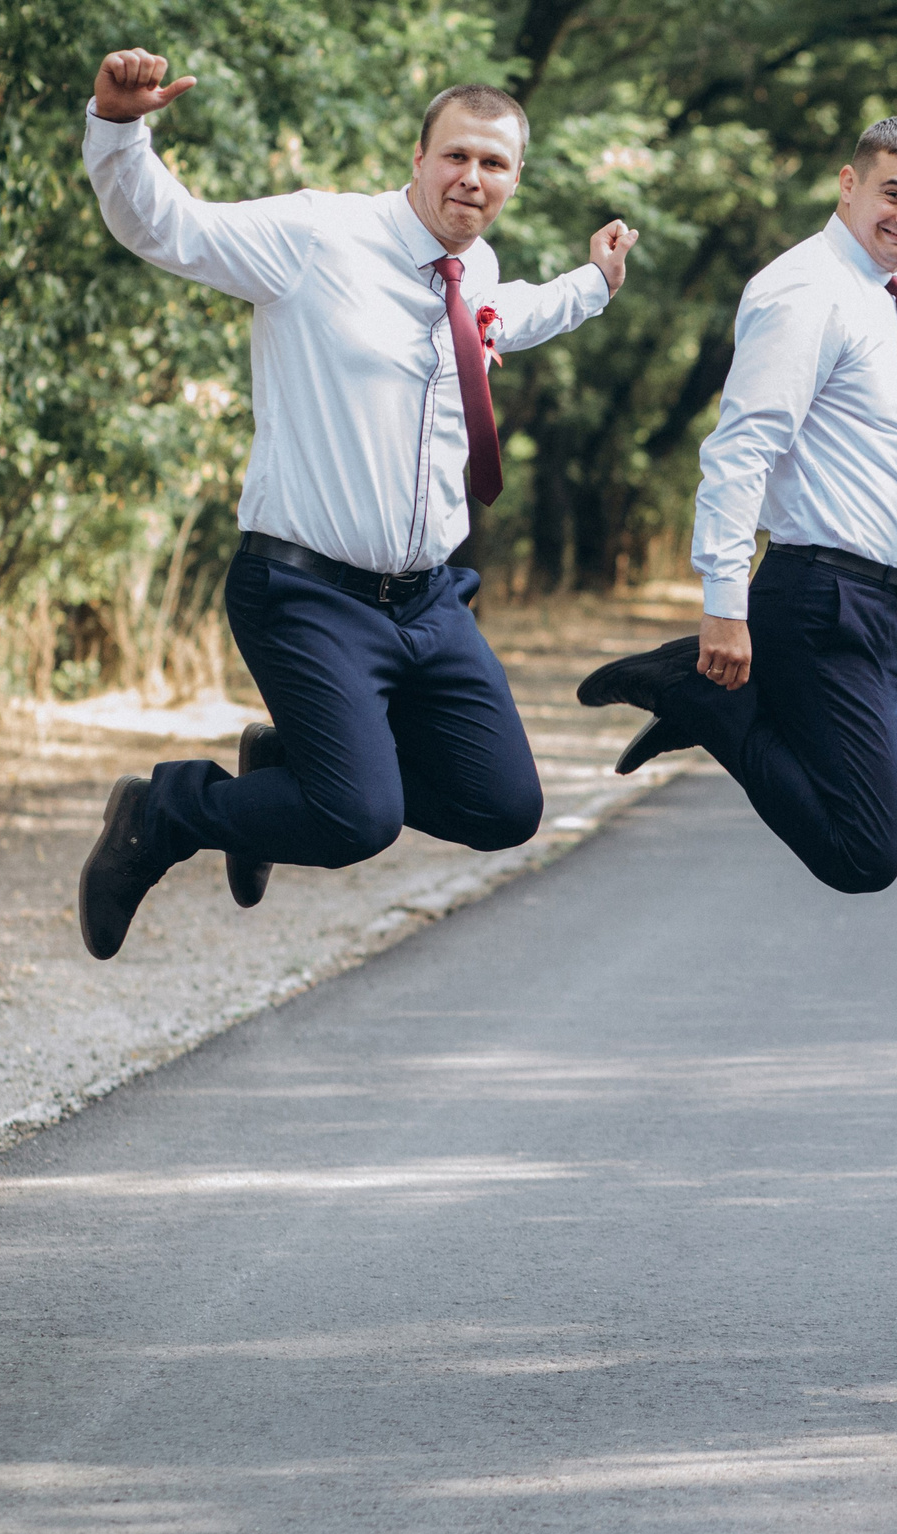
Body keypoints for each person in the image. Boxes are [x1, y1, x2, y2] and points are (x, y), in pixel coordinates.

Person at [72, 49, 639, 959]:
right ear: (417, 159)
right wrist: (119, 128)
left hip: (428, 600)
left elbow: (513, 318)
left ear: (514, 181)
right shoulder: (316, 239)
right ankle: (166, 812)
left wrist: (597, 285)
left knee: (505, 810)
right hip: (305, 591)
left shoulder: (477, 272)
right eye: (456, 156)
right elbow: (165, 226)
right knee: (355, 821)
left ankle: (292, 768)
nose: (472, 178)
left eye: (493, 164)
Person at [574, 117, 897, 896]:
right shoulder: (806, 290)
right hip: (822, 603)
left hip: (884, 615)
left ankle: (723, 693)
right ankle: (701, 696)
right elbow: (741, 449)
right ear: (848, 184)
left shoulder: (873, 293)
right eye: (894, 194)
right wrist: (723, 604)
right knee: (861, 856)